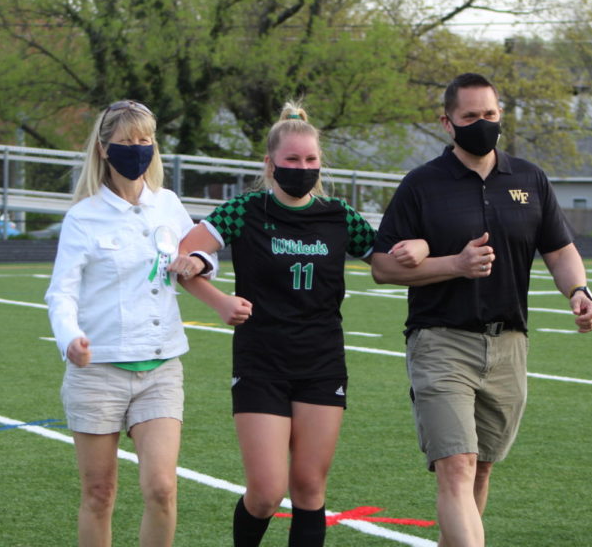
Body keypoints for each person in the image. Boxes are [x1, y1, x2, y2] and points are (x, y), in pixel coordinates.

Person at [177, 102, 422, 547]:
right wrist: (217, 299)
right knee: (267, 492)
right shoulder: (244, 211)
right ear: (270, 164)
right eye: (291, 160)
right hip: (261, 362)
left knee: (309, 488)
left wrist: (429, 251)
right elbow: (184, 258)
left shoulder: (340, 215)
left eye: (310, 160)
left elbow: (388, 264)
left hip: (321, 363)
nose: (302, 168)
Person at [370, 73, 592, 547]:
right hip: (441, 340)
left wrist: (579, 290)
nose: (482, 124)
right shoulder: (421, 185)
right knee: (457, 466)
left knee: (480, 470)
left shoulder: (530, 178)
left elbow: (559, 249)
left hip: (510, 343)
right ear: (447, 122)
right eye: (470, 116)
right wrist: (455, 264)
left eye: (490, 115)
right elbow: (382, 269)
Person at [45, 100, 213, 547]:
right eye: (127, 142)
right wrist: (71, 340)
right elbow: (60, 292)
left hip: (161, 368)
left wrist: (197, 260)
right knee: (99, 494)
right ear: (104, 150)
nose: (138, 150)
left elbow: (203, 250)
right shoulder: (83, 217)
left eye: (146, 141)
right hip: (97, 372)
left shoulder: (169, 204)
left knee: (162, 488)